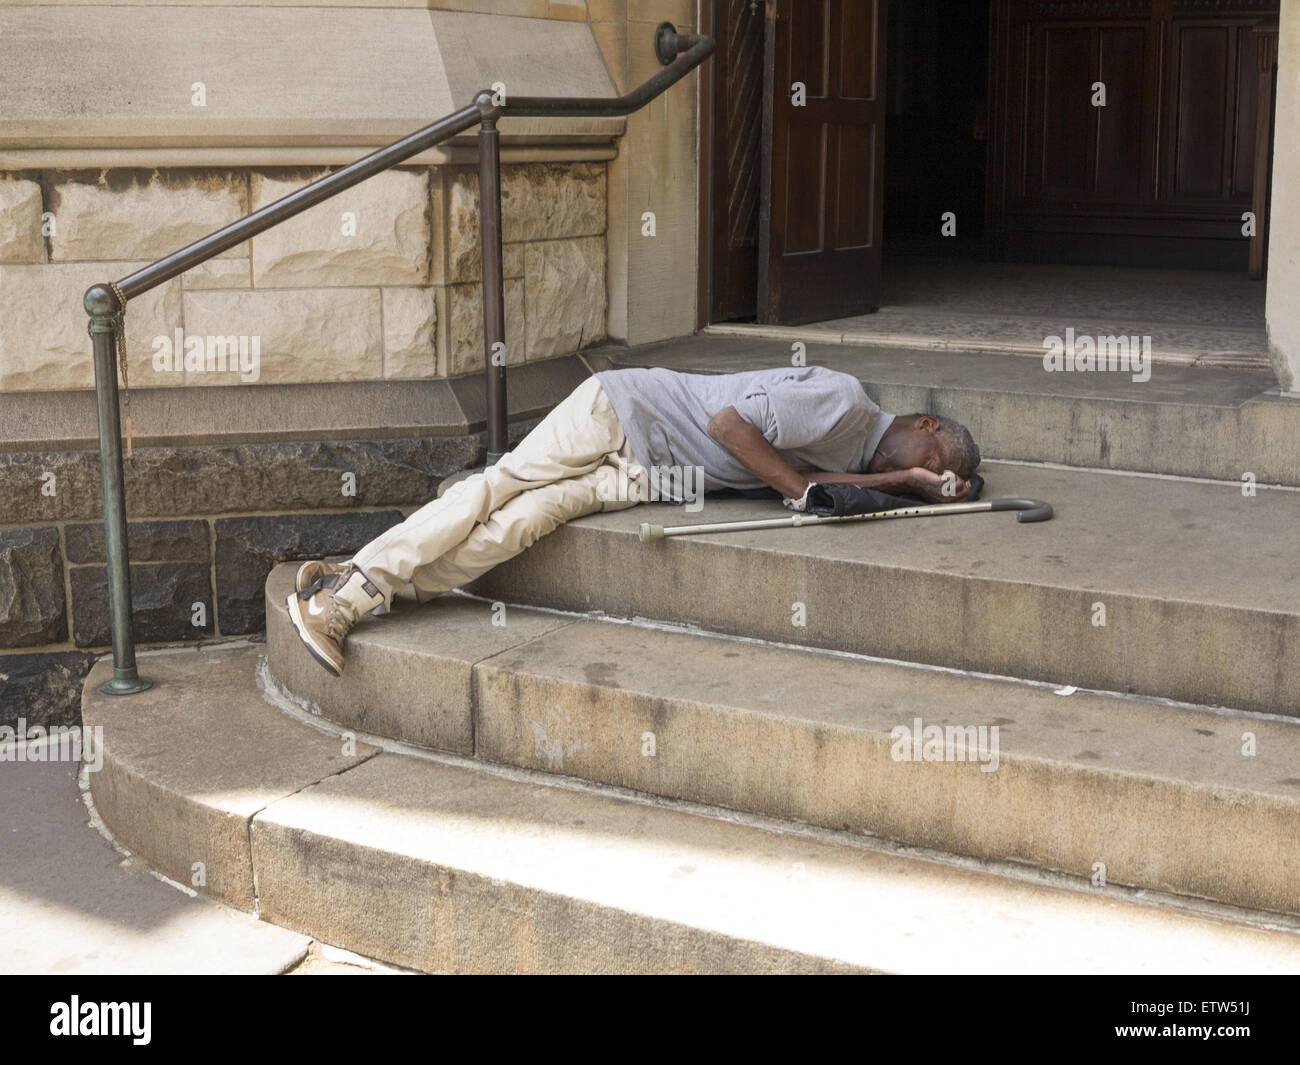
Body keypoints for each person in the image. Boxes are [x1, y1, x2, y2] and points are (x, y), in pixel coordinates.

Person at [287, 365, 981, 675]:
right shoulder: (846, 403)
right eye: (931, 454)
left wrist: (904, 480)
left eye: (932, 472)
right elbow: (729, 424)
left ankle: (350, 591)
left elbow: (820, 482)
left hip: (645, 473)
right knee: (496, 489)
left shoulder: (861, 452)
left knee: (517, 527)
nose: (925, 469)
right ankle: (347, 593)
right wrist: (800, 490)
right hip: (623, 412)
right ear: (924, 424)